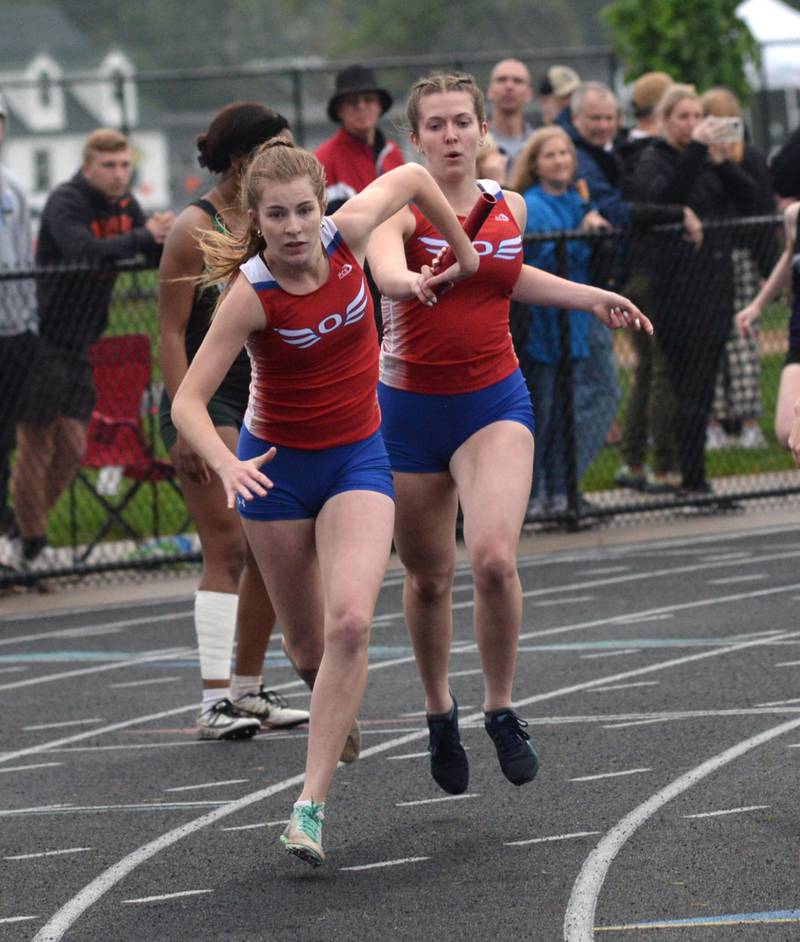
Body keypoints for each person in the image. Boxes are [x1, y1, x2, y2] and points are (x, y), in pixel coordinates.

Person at [171, 139, 479, 867]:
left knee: (349, 622)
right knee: (309, 647)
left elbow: (408, 175)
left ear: (322, 207)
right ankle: (330, 705)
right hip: (273, 471)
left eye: (304, 210)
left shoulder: (350, 235)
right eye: (276, 215)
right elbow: (187, 400)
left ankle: (309, 806)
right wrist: (223, 462)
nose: (294, 226)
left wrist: (464, 256)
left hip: (355, 458)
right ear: (258, 218)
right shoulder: (249, 294)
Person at [367, 72, 650, 799]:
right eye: (437, 125)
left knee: (493, 558)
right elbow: (386, 270)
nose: (453, 136)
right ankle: (438, 709)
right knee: (429, 577)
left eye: (464, 122)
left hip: (493, 400)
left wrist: (594, 298)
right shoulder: (398, 205)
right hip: (408, 411)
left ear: (485, 130)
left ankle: (499, 706)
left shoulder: (508, 205)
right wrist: (410, 285)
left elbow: (509, 276)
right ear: (417, 138)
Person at [158, 103, 309, 740]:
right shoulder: (194, 227)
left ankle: (248, 689)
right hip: (210, 396)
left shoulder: (283, 216)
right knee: (228, 544)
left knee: (272, 541)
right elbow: (168, 331)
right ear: (242, 158)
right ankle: (214, 699)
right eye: (277, 145)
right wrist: (182, 426)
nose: (289, 153)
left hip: (263, 394)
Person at [8, 128, 175, 570]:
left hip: (81, 343)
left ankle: (25, 531)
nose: (119, 175)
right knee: (37, 444)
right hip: (41, 338)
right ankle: (29, 541)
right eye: (109, 166)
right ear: (88, 168)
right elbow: (83, 248)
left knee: (74, 447)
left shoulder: (125, 206)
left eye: (124, 165)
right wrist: (144, 236)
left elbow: (149, 250)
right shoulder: (68, 201)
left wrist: (164, 235)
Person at [631, 84, 758, 498]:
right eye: (682, 117)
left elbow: (752, 200)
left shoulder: (707, 161)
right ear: (666, 120)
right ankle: (690, 478)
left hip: (715, 289)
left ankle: (698, 478)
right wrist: (697, 155)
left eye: (695, 116)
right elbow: (661, 199)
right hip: (677, 291)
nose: (691, 125)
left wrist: (721, 163)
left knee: (704, 386)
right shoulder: (656, 159)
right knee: (687, 386)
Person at [508, 125, 611, 516]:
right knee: (542, 413)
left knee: (569, 412)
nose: (560, 161)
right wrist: (575, 235)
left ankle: (561, 488)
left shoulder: (577, 200)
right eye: (550, 155)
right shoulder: (531, 204)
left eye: (565, 154)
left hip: (575, 323)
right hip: (542, 325)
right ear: (535, 163)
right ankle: (530, 496)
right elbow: (533, 260)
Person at [614, 71, 682, 494]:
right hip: (651, 272)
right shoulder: (647, 154)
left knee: (646, 370)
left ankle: (632, 458)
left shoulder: (624, 150)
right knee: (661, 369)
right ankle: (660, 463)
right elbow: (650, 205)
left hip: (636, 271)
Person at [702, 87, 776, 451]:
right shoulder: (696, 160)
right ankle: (714, 421)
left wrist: (725, 164)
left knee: (743, 339)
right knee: (712, 339)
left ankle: (747, 421)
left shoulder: (751, 158)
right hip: (710, 260)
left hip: (744, 257)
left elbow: (757, 203)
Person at [0, 92, 37, 543]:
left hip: (13, 332)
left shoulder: (12, 187)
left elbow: (25, 255)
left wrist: (28, 319)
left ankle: (15, 541)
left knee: (9, 439)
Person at [736, 200, 800, 455]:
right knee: (787, 430)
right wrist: (757, 305)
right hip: (798, 335)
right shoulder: (794, 215)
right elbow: (789, 258)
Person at [315, 64, 404, 213]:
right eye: (352, 101)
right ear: (340, 110)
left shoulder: (393, 153)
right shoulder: (323, 161)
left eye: (368, 99)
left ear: (379, 106)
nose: (361, 106)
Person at [486, 58, 534, 172]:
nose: (509, 86)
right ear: (489, 91)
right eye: (501, 80)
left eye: (518, 81)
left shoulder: (538, 144)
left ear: (529, 94)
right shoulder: (476, 142)